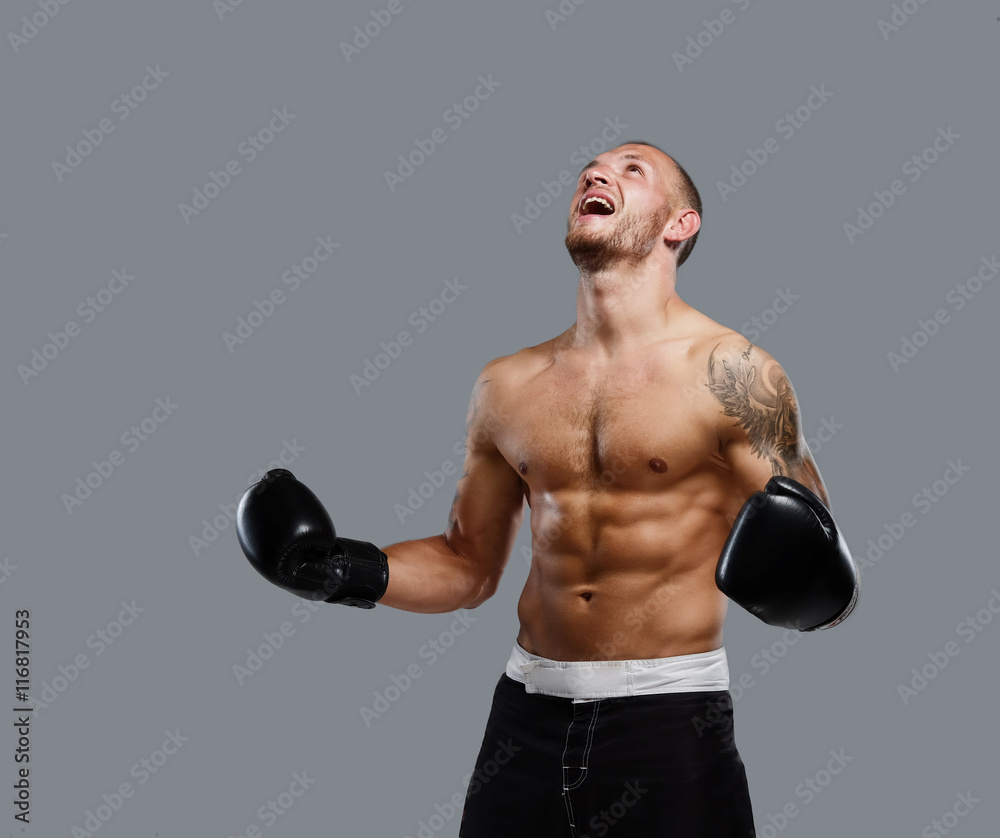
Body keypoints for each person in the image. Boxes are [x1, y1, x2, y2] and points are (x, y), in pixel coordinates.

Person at [235, 141, 858, 837]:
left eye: (631, 169)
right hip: (523, 720)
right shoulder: (507, 386)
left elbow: (815, 544)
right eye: (591, 168)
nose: (596, 173)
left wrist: (815, 580)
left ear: (679, 225)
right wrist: (341, 571)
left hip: (668, 716)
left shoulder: (735, 373)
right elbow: (468, 568)